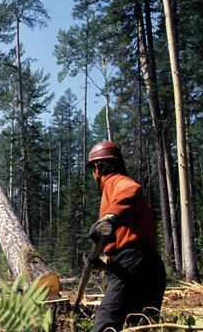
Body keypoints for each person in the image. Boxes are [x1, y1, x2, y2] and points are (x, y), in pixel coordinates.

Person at [85, 141, 166, 332]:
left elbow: (132, 189)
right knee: (139, 327)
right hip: (147, 267)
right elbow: (130, 243)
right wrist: (105, 263)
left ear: (97, 168)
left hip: (134, 266)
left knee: (105, 324)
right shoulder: (113, 191)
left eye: (93, 171)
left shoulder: (115, 181)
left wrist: (110, 219)